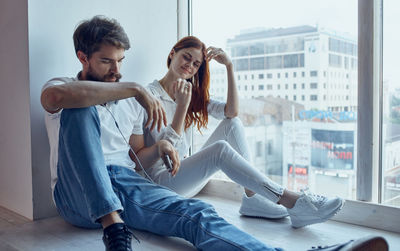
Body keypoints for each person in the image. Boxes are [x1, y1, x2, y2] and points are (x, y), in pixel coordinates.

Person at [41, 15, 388, 251]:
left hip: (125, 184)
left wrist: (161, 144)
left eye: (121, 62)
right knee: (80, 107)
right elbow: (57, 98)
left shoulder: (127, 103)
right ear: (82, 56)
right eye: (106, 62)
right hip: (77, 197)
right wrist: (136, 89)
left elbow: (136, 159)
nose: (117, 71)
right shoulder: (64, 87)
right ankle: (114, 227)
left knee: (199, 215)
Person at [132, 36, 341, 228]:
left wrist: (229, 66)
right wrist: (181, 108)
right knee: (220, 149)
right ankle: (291, 201)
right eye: (186, 57)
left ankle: (253, 198)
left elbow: (231, 112)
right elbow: (147, 160)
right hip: (164, 186)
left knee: (232, 124)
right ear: (172, 54)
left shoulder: (189, 94)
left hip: (186, 180)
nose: (190, 66)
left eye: (196, 64)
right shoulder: (148, 96)